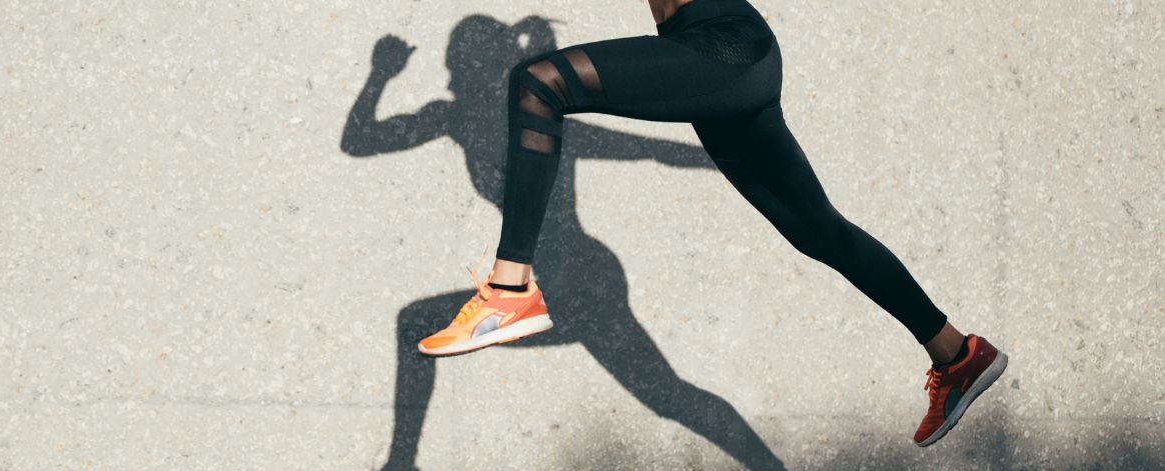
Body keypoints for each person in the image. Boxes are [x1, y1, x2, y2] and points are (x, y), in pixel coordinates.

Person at [416, 0, 1008, 446]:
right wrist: (380, 76)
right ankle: (957, 354)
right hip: (713, 56)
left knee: (538, 82)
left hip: (719, 48)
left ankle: (510, 289)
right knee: (818, 231)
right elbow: (365, 141)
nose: (452, 73)